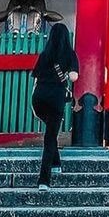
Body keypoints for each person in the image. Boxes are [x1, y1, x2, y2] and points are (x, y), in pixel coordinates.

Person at [30, 21, 79, 187]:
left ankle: (56, 163)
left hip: (39, 98)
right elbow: (74, 77)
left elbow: (35, 80)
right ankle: (44, 180)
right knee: (50, 136)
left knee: (51, 131)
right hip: (55, 98)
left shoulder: (44, 54)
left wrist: (32, 105)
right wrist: (67, 72)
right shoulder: (69, 54)